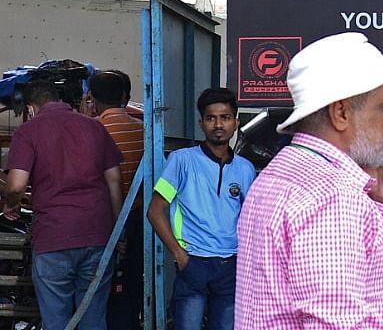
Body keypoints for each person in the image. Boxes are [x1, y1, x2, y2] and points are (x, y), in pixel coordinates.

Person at [235, 32, 383, 330]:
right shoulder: (333, 197)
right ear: (341, 112)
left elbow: (356, 279)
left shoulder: (281, 171)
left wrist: (379, 203)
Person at [3, 79, 123, 330]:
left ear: (31, 108)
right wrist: (115, 229)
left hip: (53, 237)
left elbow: (15, 185)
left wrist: (10, 205)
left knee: (56, 321)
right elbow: (114, 180)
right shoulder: (95, 128)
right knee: (93, 319)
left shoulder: (29, 130)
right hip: (97, 234)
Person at [148, 88, 256, 330]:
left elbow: (250, 219)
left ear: (236, 122)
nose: (218, 124)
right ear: (201, 123)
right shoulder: (181, 160)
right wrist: (179, 255)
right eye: (211, 118)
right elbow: (155, 210)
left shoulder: (245, 168)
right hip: (193, 263)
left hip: (231, 266)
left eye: (225, 117)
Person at [88, 70, 145, 330]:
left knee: (101, 285)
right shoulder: (142, 130)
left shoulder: (91, 130)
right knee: (131, 283)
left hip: (103, 220)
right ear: (124, 96)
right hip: (138, 216)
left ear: (91, 97)